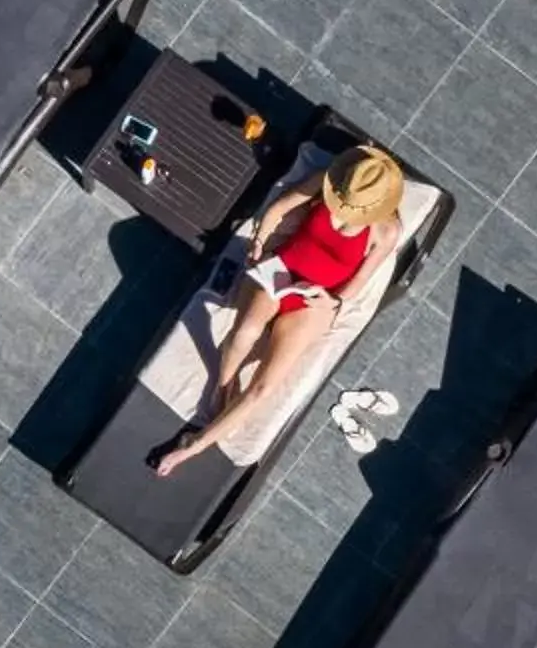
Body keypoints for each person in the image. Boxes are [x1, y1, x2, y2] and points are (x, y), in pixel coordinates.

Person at [153, 145, 405, 477]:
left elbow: (359, 282)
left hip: (316, 300)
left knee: (264, 386)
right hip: (282, 270)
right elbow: (278, 209)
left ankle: (196, 445)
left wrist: (332, 302)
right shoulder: (330, 181)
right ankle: (223, 388)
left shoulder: (387, 230)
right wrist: (260, 240)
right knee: (243, 333)